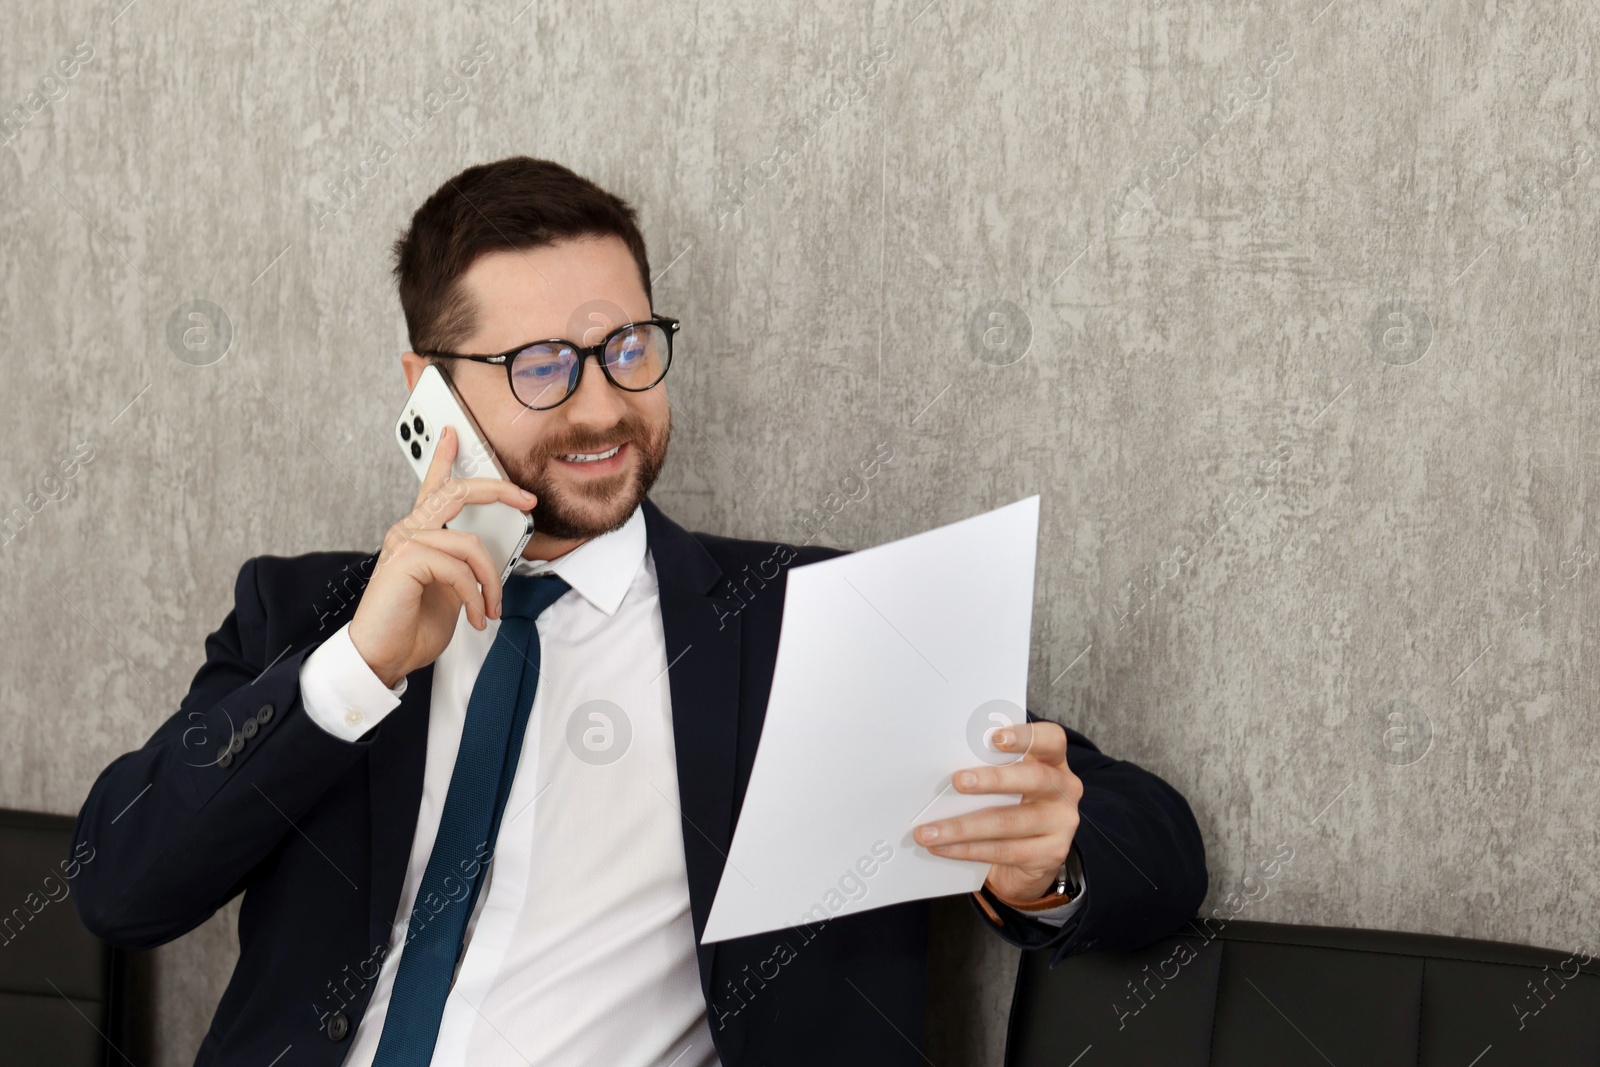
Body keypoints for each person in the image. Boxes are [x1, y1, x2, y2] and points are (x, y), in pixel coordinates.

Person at [71, 156, 1207, 1067]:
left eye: (626, 348)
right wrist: (355, 671)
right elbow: (122, 888)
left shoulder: (807, 621)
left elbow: (1151, 843)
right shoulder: (303, 611)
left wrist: (1046, 862)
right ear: (426, 387)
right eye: (540, 367)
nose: (603, 404)